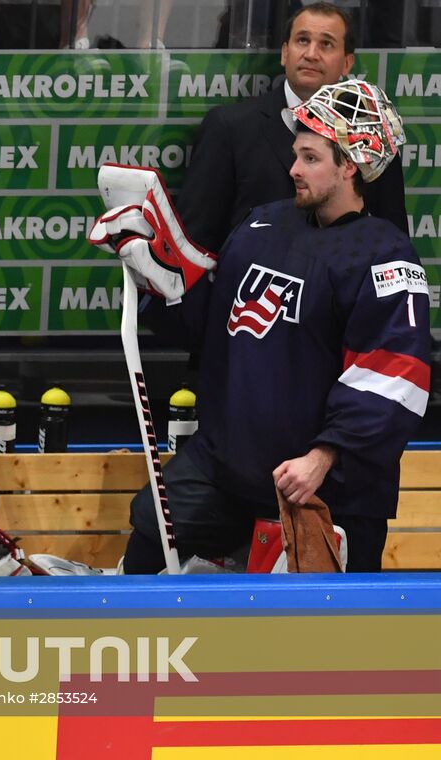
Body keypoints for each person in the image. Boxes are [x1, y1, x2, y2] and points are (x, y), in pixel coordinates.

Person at [101, 79, 429, 574]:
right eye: (296, 154)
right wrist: (160, 280)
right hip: (228, 463)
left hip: (324, 486)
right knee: (152, 525)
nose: (293, 169)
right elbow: (212, 326)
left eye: (312, 158)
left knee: (318, 640)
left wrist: (324, 456)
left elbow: (394, 375)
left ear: (351, 165)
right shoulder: (263, 224)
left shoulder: (384, 255)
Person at [176, 2, 406, 255]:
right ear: (285, 52)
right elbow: (194, 246)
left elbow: (392, 242)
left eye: (326, 44)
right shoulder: (229, 128)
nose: (311, 54)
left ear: (347, 63)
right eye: (302, 40)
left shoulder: (373, 136)